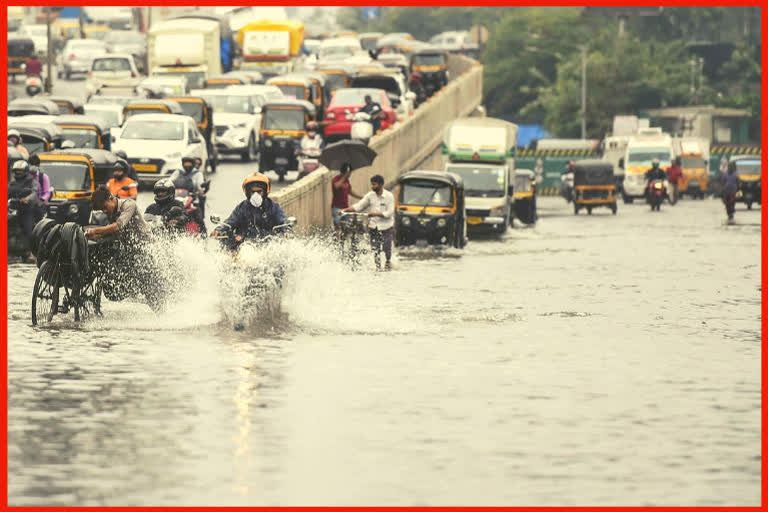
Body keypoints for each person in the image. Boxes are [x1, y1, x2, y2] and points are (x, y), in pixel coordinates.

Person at [213, 172, 286, 244]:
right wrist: (219, 229)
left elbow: (283, 221)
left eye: (259, 191)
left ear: (265, 192)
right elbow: (230, 221)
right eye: (252, 192)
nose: (256, 195)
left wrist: (286, 231)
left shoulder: (273, 207)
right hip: (245, 245)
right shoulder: (242, 208)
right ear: (247, 193)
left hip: (268, 245)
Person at [343, 174, 394, 271]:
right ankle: (378, 267)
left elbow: (390, 212)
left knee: (387, 247)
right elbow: (359, 206)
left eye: (374, 184)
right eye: (372, 184)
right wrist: (345, 210)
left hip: (386, 227)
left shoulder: (389, 196)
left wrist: (376, 214)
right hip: (373, 226)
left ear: (380, 185)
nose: (372, 187)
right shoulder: (370, 196)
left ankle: (388, 261)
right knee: (375, 249)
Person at [8, 160, 40, 255]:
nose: (18, 173)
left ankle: (30, 252)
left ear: (25, 171)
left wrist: (27, 199)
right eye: (16, 171)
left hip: (26, 210)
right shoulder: (12, 183)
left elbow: (35, 192)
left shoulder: (31, 181)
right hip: (12, 208)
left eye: (20, 171)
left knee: (28, 231)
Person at [331, 163, 362, 229]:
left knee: (347, 226)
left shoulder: (346, 180)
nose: (350, 175)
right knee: (337, 225)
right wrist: (344, 176)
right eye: (350, 173)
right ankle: (336, 238)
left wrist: (361, 197)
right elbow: (336, 186)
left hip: (345, 207)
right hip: (337, 207)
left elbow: (350, 191)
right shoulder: (336, 179)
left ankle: (343, 239)